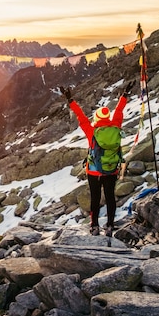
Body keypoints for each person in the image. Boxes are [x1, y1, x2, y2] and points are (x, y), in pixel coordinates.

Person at [60, 85, 129, 236]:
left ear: (97, 118)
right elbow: (119, 111)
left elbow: (81, 116)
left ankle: (94, 226)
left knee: (95, 197)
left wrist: (70, 100)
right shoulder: (116, 126)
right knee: (110, 196)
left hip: (93, 171)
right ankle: (110, 226)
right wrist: (125, 95)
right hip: (111, 169)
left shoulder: (92, 131)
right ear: (108, 118)